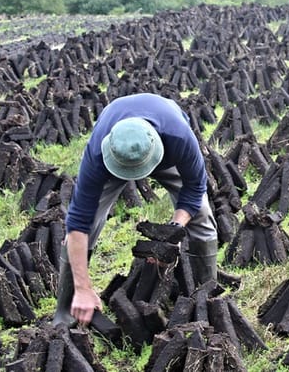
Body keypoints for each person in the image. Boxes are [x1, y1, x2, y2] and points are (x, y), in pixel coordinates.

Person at [53, 93, 218, 327]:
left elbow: (194, 188)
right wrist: (83, 288)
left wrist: (175, 229)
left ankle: (205, 298)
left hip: (165, 149)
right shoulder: (99, 153)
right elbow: (78, 222)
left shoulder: (179, 136)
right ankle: (67, 308)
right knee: (88, 224)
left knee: (201, 217)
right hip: (112, 156)